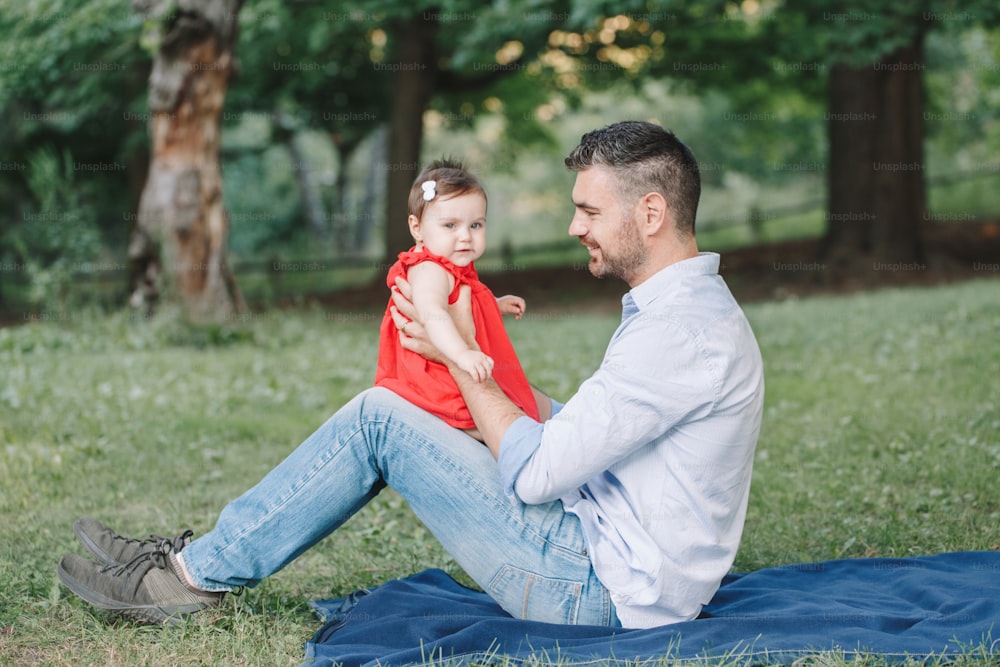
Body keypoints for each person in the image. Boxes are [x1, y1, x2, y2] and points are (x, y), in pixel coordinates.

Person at [57, 120, 764, 630]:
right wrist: (457, 357)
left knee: (380, 415)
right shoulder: (681, 312)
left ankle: (188, 578)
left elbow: (535, 473)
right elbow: (582, 432)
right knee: (399, 407)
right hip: (608, 546)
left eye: (588, 209)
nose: (576, 226)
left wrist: (454, 356)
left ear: (650, 211)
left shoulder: (679, 332)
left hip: (599, 588)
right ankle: (195, 561)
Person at [374, 159, 540, 433]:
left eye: (475, 225)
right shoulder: (429, 270)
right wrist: (462, 355)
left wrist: (493, 305)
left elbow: (456, 305)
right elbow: (434, 314)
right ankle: (478, 435)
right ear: (417, 228)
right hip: (434, 382)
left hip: (446, 367)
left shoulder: (448, 264)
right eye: (450, 225)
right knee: (475, 418)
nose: (465, 236)